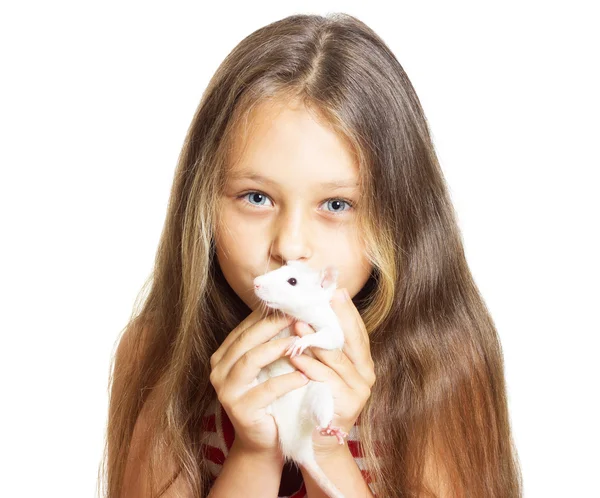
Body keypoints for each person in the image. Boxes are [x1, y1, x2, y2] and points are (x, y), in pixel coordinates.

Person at [98, 12, 523, 498]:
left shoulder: (439, 363)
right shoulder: (161, 349)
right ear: (202, 201)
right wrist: (255, 453)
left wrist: (322, 448)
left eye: (336, 204)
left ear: (401, 217)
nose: (291, 246)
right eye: (257, 197)